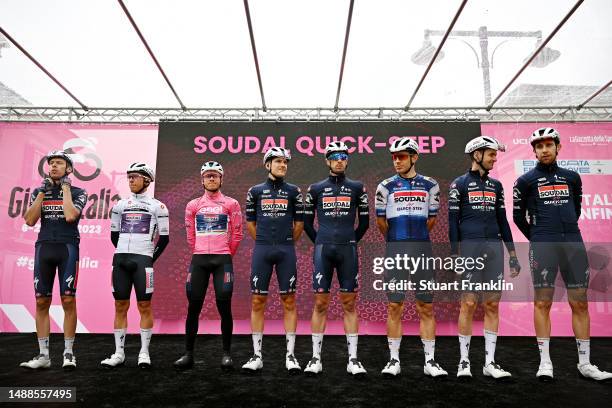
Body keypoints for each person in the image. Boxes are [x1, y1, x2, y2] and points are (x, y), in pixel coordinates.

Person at [513, 127, 612, 381]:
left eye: (549, 144)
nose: (544, 149)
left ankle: (585, 363)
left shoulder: (572, 177)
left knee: (579, 302)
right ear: (534, 151)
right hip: (543, 245)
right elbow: (517, 216)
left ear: (558, 147)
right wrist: (538, 237)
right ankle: (545, 362)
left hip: (573, 244)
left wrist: (565, 233)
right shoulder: (525, 181)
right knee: (542, 302)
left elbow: (575, 209)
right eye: (539, 146)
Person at [448, 136, 521, 379]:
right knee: (468, 303)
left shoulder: (497, 186)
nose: (494, 158)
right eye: (490, 154)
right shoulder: (458, 184)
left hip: (494, 248)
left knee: (492, 304)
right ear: (476, 154)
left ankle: (489, 363)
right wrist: (454, 254)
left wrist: (512, 254)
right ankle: (464, 362)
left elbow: (503, 221)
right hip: (469, 247)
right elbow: (452, 223)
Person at [375, 137, 447, 377]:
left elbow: (431, 221)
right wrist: (398, 242)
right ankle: (393, 360)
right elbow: (381, 223)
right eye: (394, 157)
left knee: (425, 305)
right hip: (395, 250)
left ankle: (430, 362)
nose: (397, 161)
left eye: (402, 156)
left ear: (414, 157)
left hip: (422, 251)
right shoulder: (384, 186)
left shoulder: (431, 185)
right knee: (394, 305)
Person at [303, 141, 369, 376]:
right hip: (323, 250)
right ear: (327, 160)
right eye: (335, 156)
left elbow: (365, 223)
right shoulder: (315, 188)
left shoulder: (358, 187)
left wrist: (350, 240)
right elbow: (307, 224)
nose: (340, 159)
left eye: (343, 156)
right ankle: (315, 359)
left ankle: (353, 360)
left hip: (347, 250)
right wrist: (321, 241)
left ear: (347, 160)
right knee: (320, 304)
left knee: (349, 304)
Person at [21, 150, 88, 370]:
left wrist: (66, 188)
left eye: (59, 163)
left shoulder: (79, 191)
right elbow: (30, 220)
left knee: (68, 300)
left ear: (69, 168)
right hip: (44, 248)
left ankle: (68, 353)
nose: (53, 167)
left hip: (67, 248)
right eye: (51, 164)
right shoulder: (40, 192)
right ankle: (43, 356)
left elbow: (70, 216)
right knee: (41, 301)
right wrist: (41, 193)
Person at [173, 161, 243, 370]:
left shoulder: (232, 204)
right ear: (202, 179)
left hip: (223, 260)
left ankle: (227, 354)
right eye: (208, 176)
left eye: (215, 175)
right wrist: (200, 251)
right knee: (193, 307)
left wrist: (225, 254)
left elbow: (237, 234)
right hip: (199, 261)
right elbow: (190, 236)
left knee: (224, 306)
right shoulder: (193, 205)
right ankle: (188, 354)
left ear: (221, 179)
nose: (211, 179)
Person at [100, 162, 169, 369]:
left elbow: (164, 239)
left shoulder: (158, 206)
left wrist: (148, 258)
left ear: (146, 180)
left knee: (144, 306)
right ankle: (119, 353)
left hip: (143, 262)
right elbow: (114, 236)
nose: (130, 180)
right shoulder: (119, 206)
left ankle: (144, 352)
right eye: (129, 177)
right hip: (120, 260)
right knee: (120, 305)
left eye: (135, 177)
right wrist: (123, 253)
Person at [242, 147, 304, 373]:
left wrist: (286, 243)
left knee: (289, 301)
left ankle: (291, 356)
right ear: (267, 164)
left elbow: (299, 224)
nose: (283, 165)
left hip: (286, 250)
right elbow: (250, 223)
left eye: (285, 162)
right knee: (258, 302)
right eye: (278, 161)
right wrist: (265, 241)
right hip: (262, 250)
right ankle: (256, 355)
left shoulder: (294, 191)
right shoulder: (255, 191)